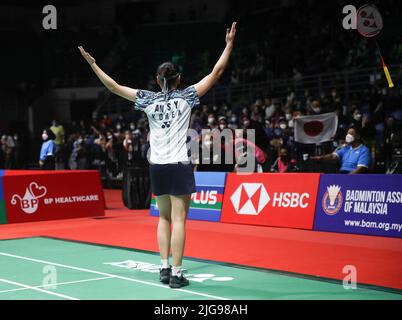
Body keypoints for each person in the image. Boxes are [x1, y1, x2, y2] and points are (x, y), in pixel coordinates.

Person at [78, 22, 237, 288]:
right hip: (178, 164)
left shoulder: (148, 99)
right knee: (179, 219)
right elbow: (217, 71)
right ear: (178, 79)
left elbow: (114, 87)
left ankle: (163, 268)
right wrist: (229, 44)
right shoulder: (187, 96)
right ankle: (177, 273)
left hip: (157, 166)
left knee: (163, 218)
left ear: (156, 80)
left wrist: (93, 64)